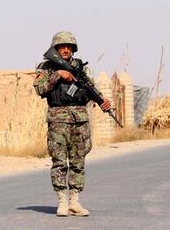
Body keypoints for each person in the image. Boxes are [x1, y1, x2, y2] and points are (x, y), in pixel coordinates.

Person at [33, 31, 111, 217]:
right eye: (62, 47)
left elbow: (91, 89)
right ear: (56, 49)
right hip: (58, 121)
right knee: (59, 162)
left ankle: (74, 201)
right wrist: (58, 75)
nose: (66, 49)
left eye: (69, 47)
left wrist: (102, 102)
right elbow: (40, 89)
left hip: (80, 120)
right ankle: (62, 201)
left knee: (78, 161)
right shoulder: (46, 67)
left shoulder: (80, 68)